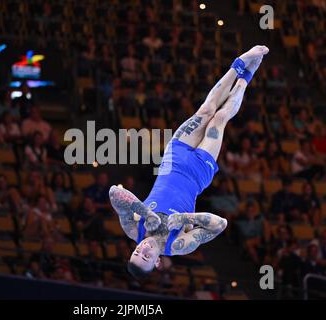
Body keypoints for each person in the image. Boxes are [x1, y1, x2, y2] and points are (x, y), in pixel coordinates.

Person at [108, 46, 270, 278]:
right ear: (156, 263)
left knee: (205, 111)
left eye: (136, 251)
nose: (143, 248)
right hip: (197, 173)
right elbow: (220, 224)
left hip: (174, 160)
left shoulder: (134, 228)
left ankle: (240, 64)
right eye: (145, 256)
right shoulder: (177, 245)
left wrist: (145, 213)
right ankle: (247, 77)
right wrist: (183, 218)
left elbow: (115, 193)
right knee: (219, 119)